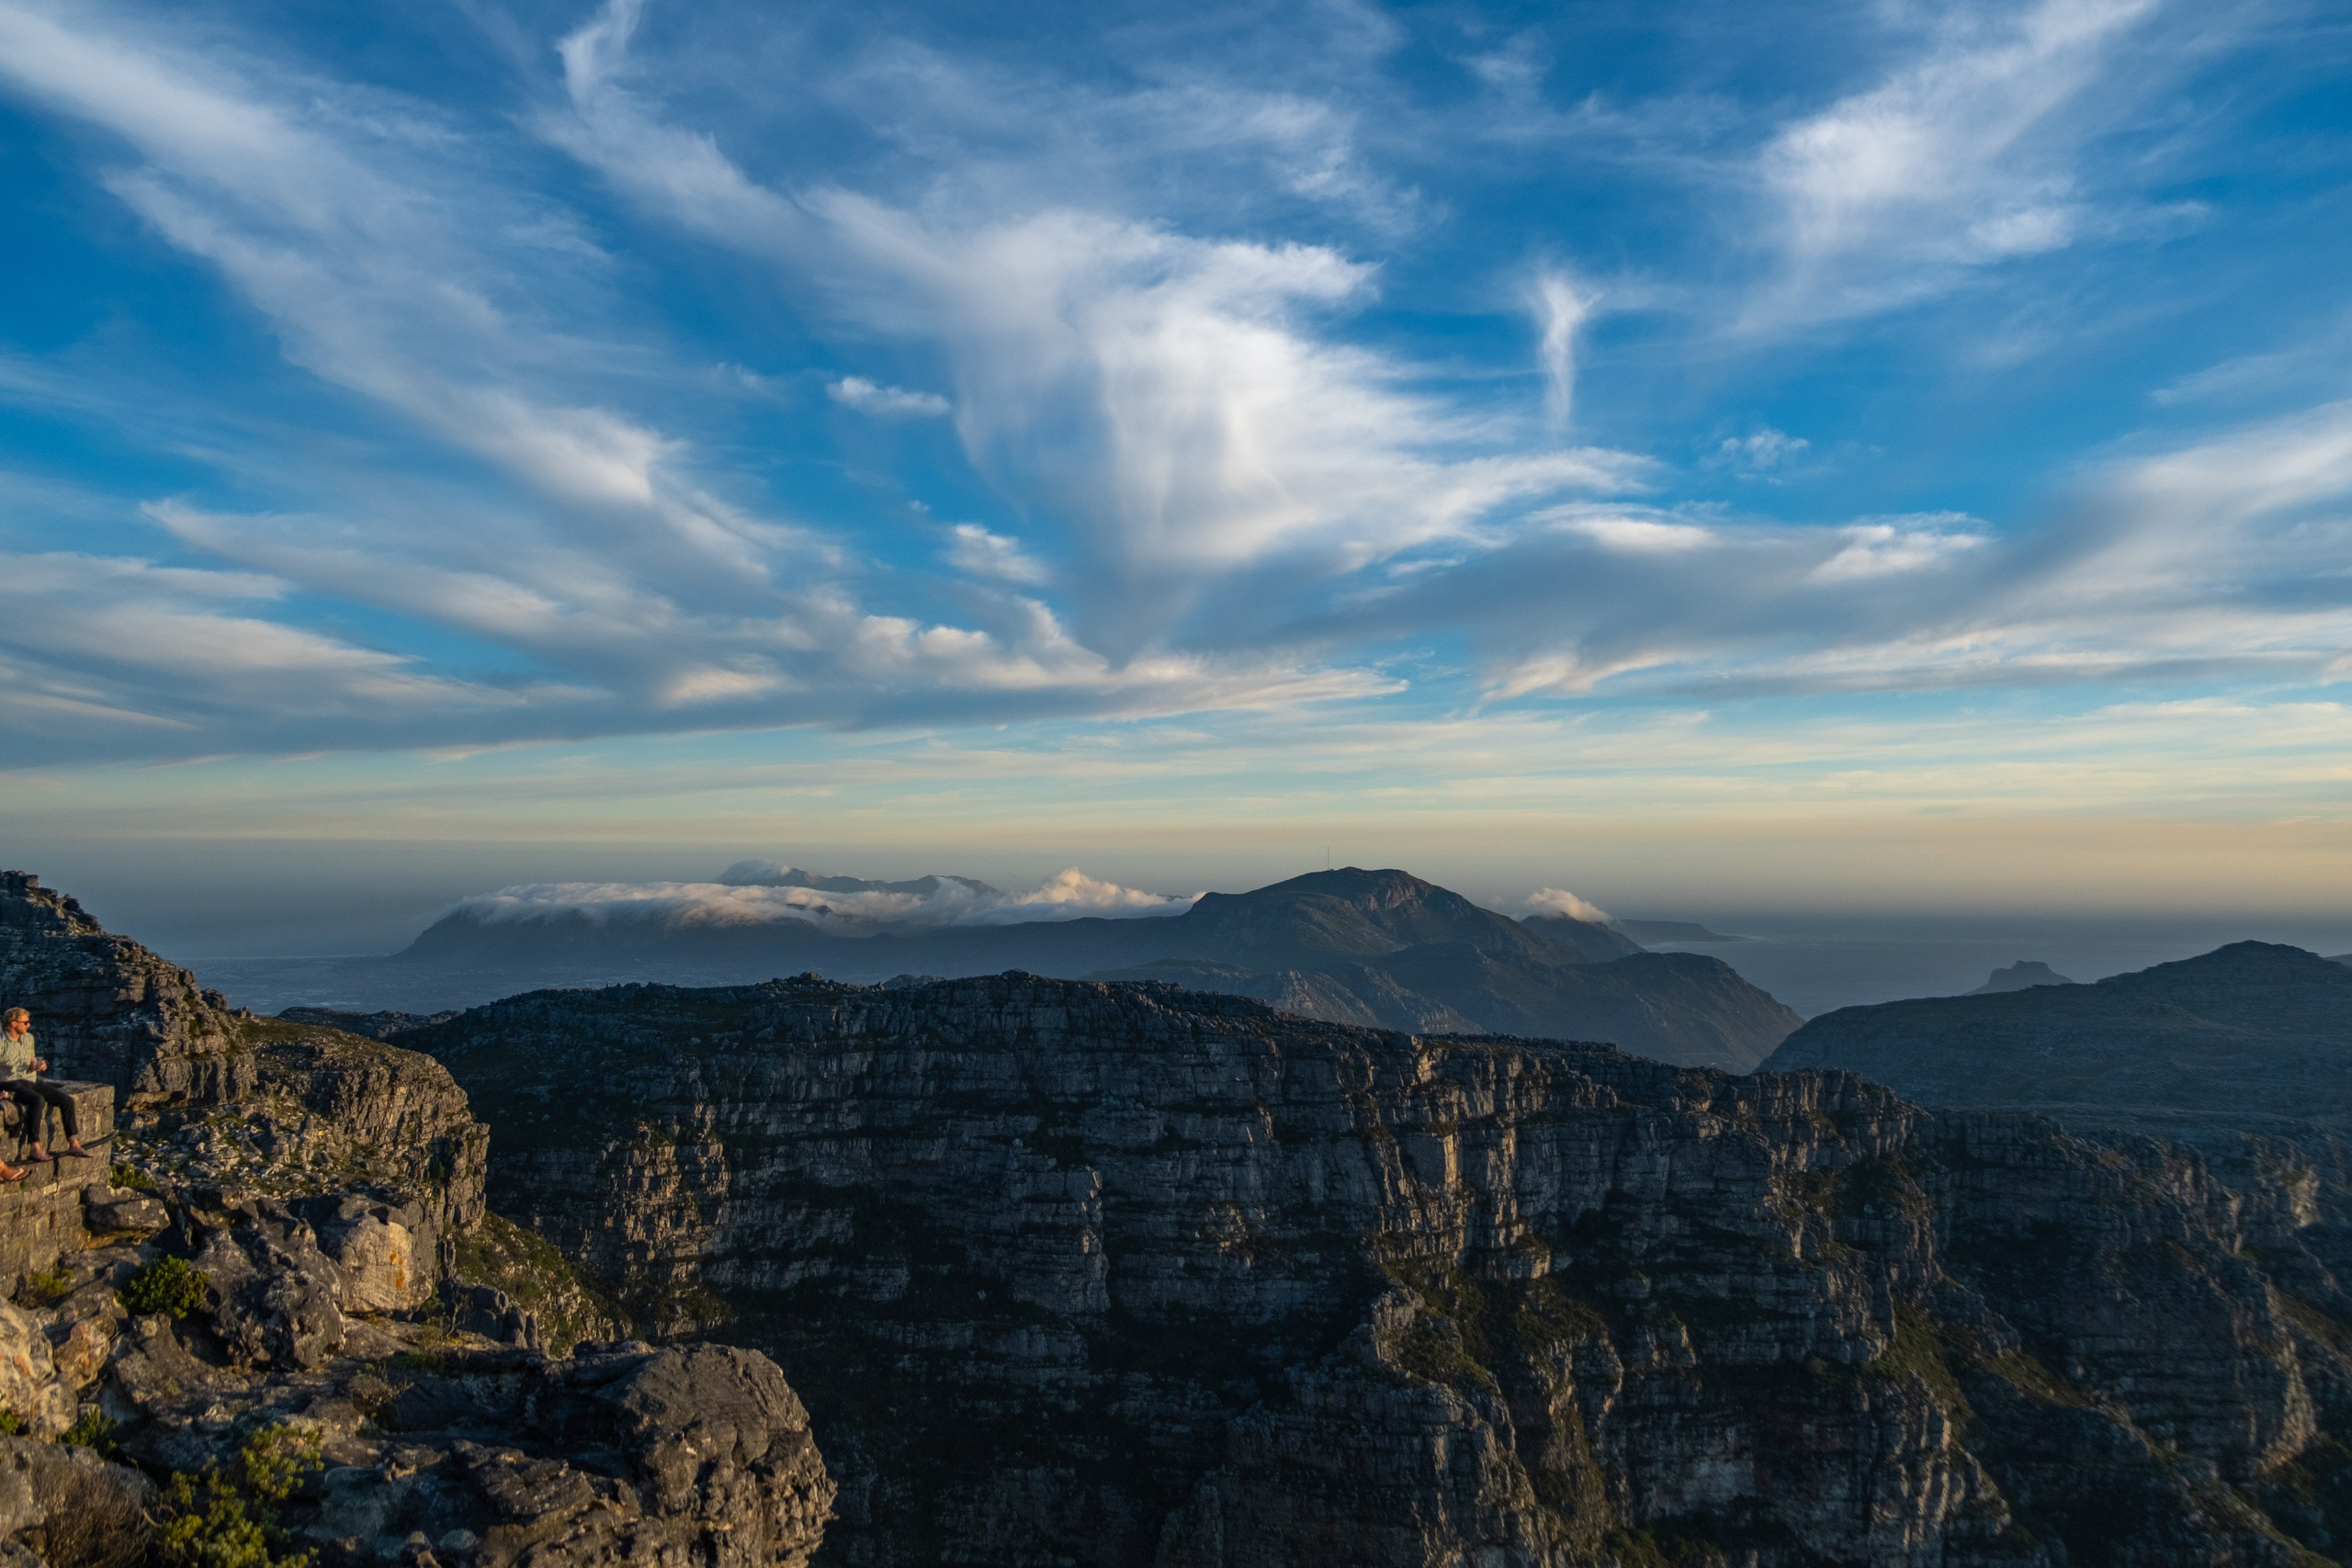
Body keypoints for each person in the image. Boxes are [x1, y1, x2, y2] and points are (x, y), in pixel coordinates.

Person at [0, 1008, 90, 1176]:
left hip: (30, 1079)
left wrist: (40, 1065)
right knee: (37, 1100)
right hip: (9, 1082)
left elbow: (31, 1059)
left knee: (67, 1100)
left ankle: (74, 1143)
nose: (29, 1025)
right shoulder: (1, 1042)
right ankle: (35, 1147)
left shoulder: (28, 1039)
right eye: (25, 1022)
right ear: (13, 1024)